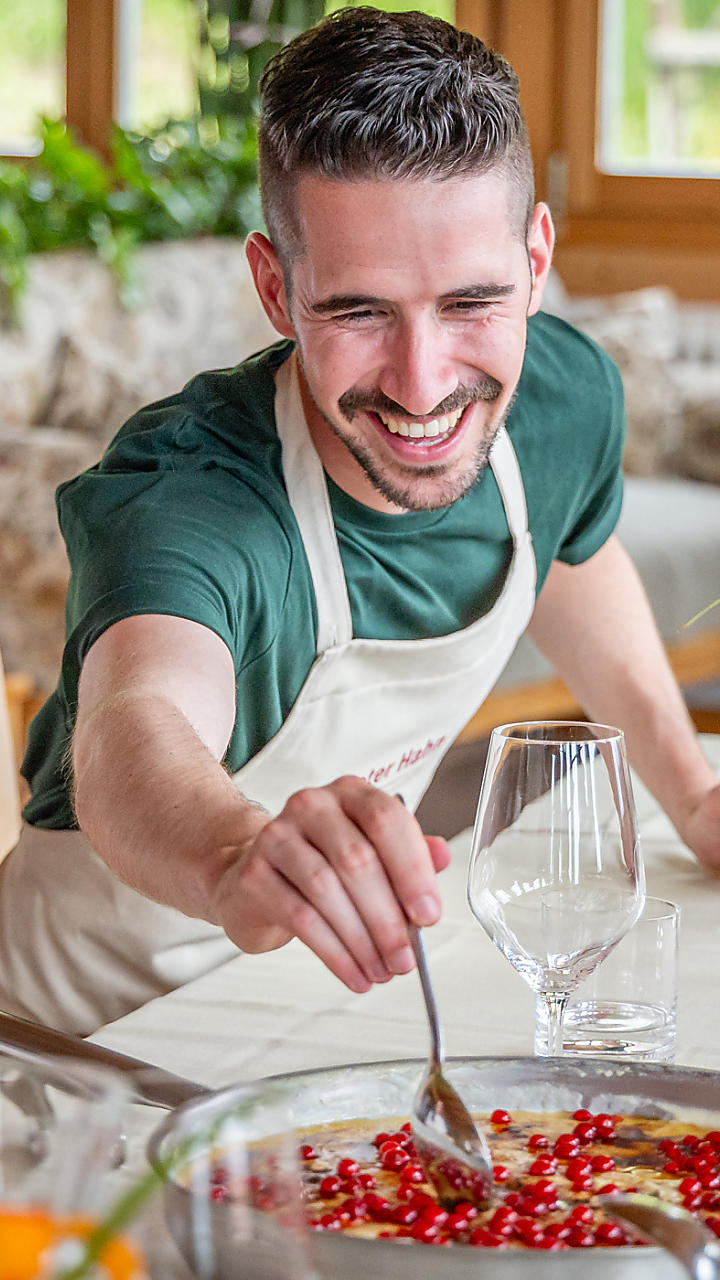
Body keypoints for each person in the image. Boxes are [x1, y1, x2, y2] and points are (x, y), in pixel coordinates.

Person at [1, 7, 718, 1036]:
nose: (424, 385)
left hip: (304, 1017)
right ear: (275, 287)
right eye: (359, 311)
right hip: (81, 1052)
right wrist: (234, 855)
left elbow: (566, 548)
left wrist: (692, 795)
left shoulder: (565, 400)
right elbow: (132, 727)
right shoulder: (189, 496)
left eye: (472, 301)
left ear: (538, 257)